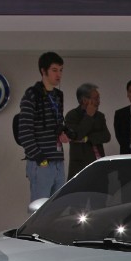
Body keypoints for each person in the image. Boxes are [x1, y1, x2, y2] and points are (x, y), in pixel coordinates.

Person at [17, 51, 68, 204]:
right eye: (54, 70)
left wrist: (63, 133)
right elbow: (24, 131)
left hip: (57, 159)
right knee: (39, 208)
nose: (58, 74)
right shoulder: (32, 95)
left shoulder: (58, 95)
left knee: (58, 207)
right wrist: (39, 157)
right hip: (41, 162)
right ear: (43, 71)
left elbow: (56, 124)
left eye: (61, 70)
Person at [64, 82, 111, 178]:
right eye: (96, 99)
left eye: (99, 98)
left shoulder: (100, 116)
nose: (98, 102)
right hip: (80, 167)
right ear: (85, 100)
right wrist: (89, 116)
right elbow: (77, 135)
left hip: (99, 163)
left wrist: (87, 138)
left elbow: (106, 136)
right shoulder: (72, 115)